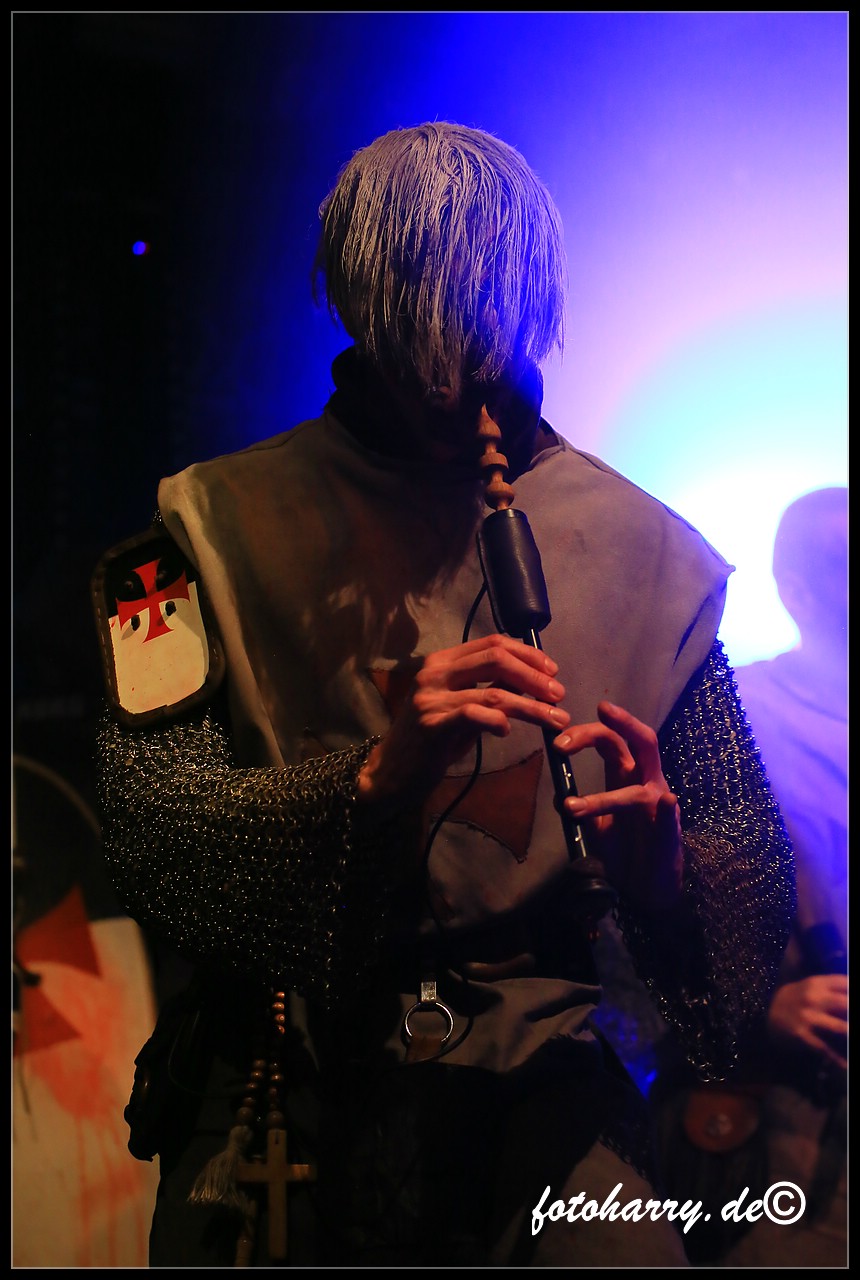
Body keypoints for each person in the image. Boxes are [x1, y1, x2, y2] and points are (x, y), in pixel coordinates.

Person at [91, 121, 795, 1268]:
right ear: (353, 304)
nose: (450, 382)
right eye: (414, 335)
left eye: (477, 332)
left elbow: (735, 915)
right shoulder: (204, 532)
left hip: (544, 1082)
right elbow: (163, 845)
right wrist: (373, 779)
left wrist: (667, 878)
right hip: (283, 1067)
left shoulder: (647, 555)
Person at [648, 486, 847, 1267]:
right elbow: (639, 916)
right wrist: (756, 1009)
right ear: (796, 590)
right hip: (786, 1119)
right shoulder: (734, 720)